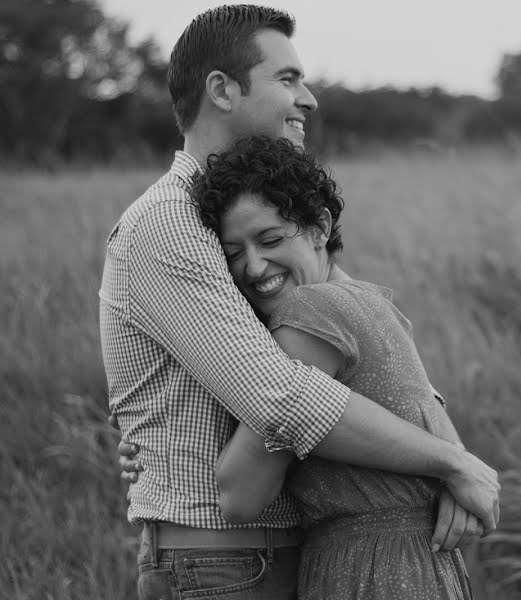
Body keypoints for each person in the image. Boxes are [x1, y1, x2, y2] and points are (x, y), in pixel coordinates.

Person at [99, 6, 499, 600]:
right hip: (223, 562)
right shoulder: (169, 224)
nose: (307, 98)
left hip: (293, 552)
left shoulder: (241, 215)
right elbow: (281, 396)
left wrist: (447, 452)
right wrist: (450, 463)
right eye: (287, 78)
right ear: (222, 90)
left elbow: (371, 345)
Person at [191, 134, 474, 598]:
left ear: (320, 227)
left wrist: (170, 451)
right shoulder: (373, 303)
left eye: (270, 239)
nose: (254, 267)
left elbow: (239, 495)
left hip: (371, 572)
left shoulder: (311, 311)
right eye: (233, 253)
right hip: (425, 568)